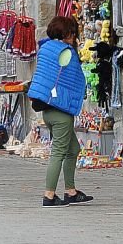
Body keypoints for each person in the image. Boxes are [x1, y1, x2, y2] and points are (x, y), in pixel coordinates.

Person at [27, 15, 91, 208]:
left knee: (73, 149)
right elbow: (75, 79)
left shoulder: (45, 48)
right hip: (61, 110)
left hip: (47, 108)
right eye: (72, 33)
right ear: (67, 33)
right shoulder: (66, 52)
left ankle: (71, 191)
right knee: (58, 153)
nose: (74, 37)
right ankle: (49, 195)